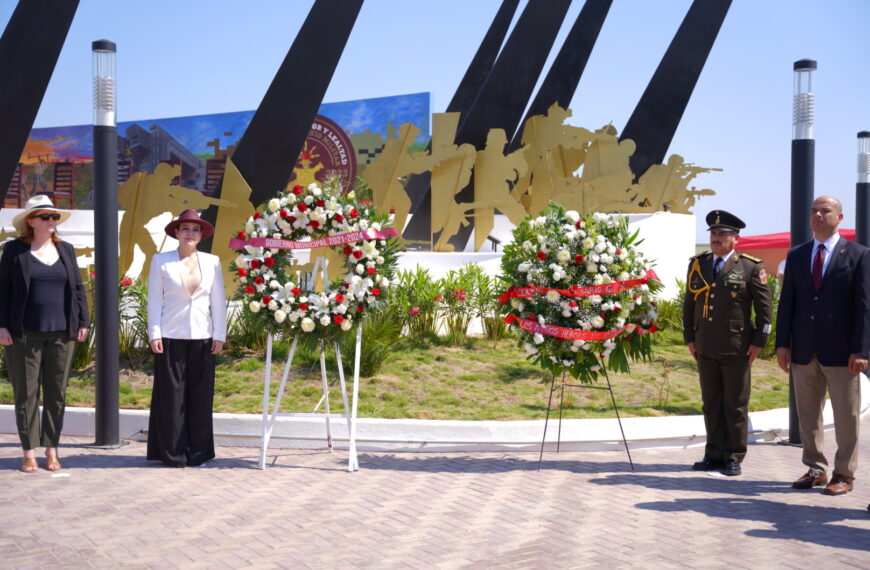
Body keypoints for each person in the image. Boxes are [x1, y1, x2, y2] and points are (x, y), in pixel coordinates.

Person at [776, 195, 870, 496]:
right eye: (814, 210)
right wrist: (782, 344)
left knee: (846, 415)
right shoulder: (798, 255)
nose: (818, 215)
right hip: (804, 350)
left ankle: (844, 473)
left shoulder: (858, 255)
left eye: (825, 211)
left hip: (843, 353)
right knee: (807, 415)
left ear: (839, 217)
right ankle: (816, 468)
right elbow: (787, 303)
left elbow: (864, 306)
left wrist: (861, 350)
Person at [0, 195, 89, 472]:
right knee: (26, 393)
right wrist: (2, 325)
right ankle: (28, 452)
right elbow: (3, 290)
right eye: (45, 217)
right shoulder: (15, 250)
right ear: (31, 221)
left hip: (62, 332)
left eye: (54, 217)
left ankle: (52, 450)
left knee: (57, 392)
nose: (51, 221)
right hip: (23, 333)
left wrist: (83, 321)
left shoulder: (66, 249)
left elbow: (77, 288)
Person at [683, 210, 773, 476]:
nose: (716, 238)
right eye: (713, 233)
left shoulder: (749, 266)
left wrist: (759, 342)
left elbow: (765, 311)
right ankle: (713, 454)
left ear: (736, 239)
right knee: (711, 403)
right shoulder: (698, 264)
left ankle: (734, 455)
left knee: (734, 404)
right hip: (705, 345)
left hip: (737, 347)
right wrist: (689, 337)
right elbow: (689, 304)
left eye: (722, 234)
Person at [146, 209, 226, 467]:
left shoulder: (212, 261)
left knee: (201, 398)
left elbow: (218, 300)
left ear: (201, 235)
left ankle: (199, 453)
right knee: (171, 398)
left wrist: (219, 334)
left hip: (203, 337)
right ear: (176, 233)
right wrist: (154, 333)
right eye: (185, 229)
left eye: (195, 229)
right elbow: (154, 299)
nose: (189, 233)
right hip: (170, 336)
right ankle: (172, 453)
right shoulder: (161, 261)